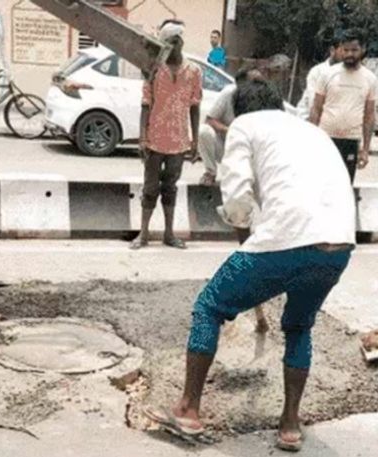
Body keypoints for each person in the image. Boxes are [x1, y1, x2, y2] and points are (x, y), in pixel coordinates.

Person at [144, 80, 355, 452]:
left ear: (240, 110)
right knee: (299, 325)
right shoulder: (311, 130)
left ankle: (188, 409)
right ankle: (290, 425)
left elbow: (236, 189)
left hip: (285, 241)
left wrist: (242, 226)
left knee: (209, 306)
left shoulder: (245, 124)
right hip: (339, 244)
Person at [130, 20, 202, 250]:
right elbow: (145, 105)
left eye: (173, 42)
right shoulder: (153, 70)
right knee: (150, 188)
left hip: (179, 142)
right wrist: (142, 137)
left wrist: (195, 140)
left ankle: (169, 234)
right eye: (166, 43)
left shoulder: (193, 71)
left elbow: (195, 106)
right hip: (154, 140)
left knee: (170, 188)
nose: (170, 47)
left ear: (180, 42)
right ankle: (143, 234)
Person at [310, 29, 377, 183]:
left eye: (354, 50)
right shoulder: (327, 74)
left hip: (351, 141)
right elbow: (316, 109)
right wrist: (311, 140)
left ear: (363, 49)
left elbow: (369, 115)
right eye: (345, 50)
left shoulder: (370, 79)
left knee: (345, 184)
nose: (349, 54)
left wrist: (365, 150)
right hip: (325, 138)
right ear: (340, 49)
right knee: (321, 184)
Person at [197, 66, 265, 186]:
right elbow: (210, 120)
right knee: (203, 131)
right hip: (226, 146)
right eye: (254, 82)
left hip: (250, 150)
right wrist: (230, 130)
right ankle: (210, 172)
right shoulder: (229, 93)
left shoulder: (262, 97)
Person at [296, 40, 343, 120]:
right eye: (344, 50)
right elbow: (314, 104)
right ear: (332, 50)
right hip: (309, 121)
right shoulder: (317, 72)